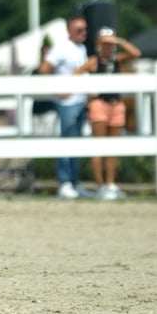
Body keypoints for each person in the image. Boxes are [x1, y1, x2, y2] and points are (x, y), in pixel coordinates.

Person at [79, 26, 141, 200]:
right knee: (99, 146)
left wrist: (119, 41)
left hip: (116, 104)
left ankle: (110, 184)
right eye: (105, 42)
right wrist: (88, 90)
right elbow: (75, 75)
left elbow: (136, 53)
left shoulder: (117, 60)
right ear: (99, 43)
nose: (108, 46)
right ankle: (100, 185)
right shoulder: (93, 61)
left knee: (113, 148)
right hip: (100, 103)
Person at [38, 15, 90, 199]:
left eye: (85, 30)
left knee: (76, 143)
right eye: (79, 30)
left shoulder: (81, 48)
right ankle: (65, 182)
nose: (83, 33)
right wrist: (57, 91)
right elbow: (44, 69)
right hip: (67, 103)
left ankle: (74, 182)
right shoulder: (61, 48)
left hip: (80, 101)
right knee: (66, 141)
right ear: (69, 31)